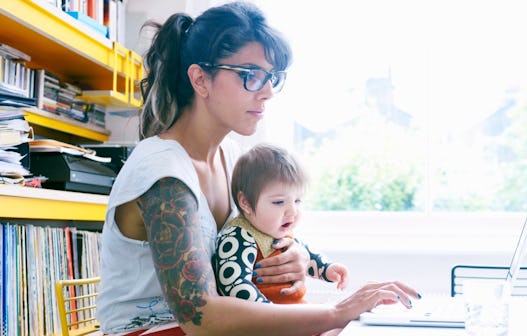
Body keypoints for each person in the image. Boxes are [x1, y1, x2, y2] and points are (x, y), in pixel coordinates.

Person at [96, 2, 419, 335]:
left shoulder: (232, 157)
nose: (266, 93)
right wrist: (337, 311)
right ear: (200, 79)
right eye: (250, 76)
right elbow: (200, 318)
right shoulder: (163, 173)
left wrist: (289, 253)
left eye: (272, 78)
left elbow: (252, 239)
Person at [213, 143, 349, 304]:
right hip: (265, 322)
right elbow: (233, 285)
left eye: (298, 200)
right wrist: (268, 310)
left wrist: (328, 269)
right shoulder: (239, 235)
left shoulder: (280, 232)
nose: (292, 211)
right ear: (246, 203)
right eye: (279, 202)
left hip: (292, 313)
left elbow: (309, 257)